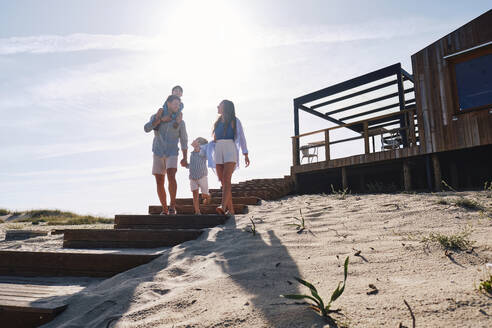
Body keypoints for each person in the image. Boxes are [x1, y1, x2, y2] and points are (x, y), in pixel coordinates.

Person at [144, 95, 188, 215]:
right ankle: (164, 209)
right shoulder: (156, 116)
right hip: (158, 151)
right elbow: (146, 128)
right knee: (159, 181)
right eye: (175, 103)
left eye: (178, 105)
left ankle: (172, 207)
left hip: (172, 152)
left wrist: (185, 157)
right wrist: (160, 120)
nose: (177, 106)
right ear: (168, 103)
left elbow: (184, 140)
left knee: (171, 175)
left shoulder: (180, 121)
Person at [211, 99, 250, 215]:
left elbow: (242, 137)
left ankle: (223, 207)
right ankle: (231, 210)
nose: (217, 106)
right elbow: (215, 139)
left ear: (226, 107)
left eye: (220, 105)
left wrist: (245, 154)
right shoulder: (217, 122)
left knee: (226, 178)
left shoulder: (235, 121)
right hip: (218, 149)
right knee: (223, 181)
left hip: (230, 149)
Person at [187, 137, 211, 214]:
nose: (194, 140)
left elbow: (200, 150)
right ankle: (197, 211)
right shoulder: (192, 154)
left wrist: (198, 146)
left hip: (202, 176)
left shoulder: (202, 153)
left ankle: (208, 196)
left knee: (204, 195)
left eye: (197, 141)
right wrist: (186, 165)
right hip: (193, 177)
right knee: (195, 194)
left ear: (200, 145)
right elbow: (192, 165)